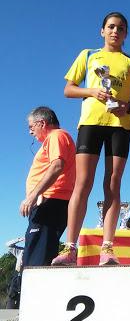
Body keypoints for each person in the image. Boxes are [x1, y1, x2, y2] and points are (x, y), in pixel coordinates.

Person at [51, 12, 130, 266]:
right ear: (102, 31)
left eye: (121, 28)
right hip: (91, 123)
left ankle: (107, 248)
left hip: (120, 126)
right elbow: (68, 89)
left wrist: (127, 107)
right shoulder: (88, 55)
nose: (115, 31)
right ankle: (70, 248)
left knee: (113, 184)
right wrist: (92, 91)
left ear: (126, 34)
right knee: (83, 183)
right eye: (111, 27)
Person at [21, 107, 76, 267]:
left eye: (31, 127)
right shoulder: (56, 138)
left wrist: (32, 196)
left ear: (42, 123)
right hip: (49, 203)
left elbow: (57, 165)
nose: (30, 132)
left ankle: (32, 290)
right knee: (37, 253)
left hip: (50, 203)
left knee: (36, 259)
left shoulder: (56, 136)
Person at [5, 237, 24, 309]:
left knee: (23, 299)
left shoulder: (37, 252)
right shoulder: (21, 251)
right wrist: (20, 239)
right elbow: (8, 245)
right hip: (17, 275)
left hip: (27, 276)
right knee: (11, 298)